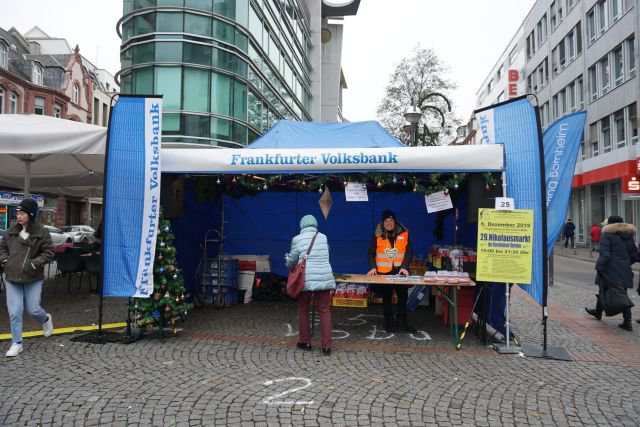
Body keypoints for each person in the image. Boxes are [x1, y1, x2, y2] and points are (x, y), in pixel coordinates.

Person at [0, 199, 55, 357]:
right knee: (15, 312)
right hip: (12, 277)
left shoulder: (41, 231)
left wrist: (34, 264)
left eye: (22, 213)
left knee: (33, 309)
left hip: (33, 277)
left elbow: (49, 252)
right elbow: (2, 248)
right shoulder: (11, 230)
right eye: (17, 213)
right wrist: (5, 260)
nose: (19, 216)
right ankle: (17, 343)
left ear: (30, 215)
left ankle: (45, 319)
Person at [285, 214, 335, 355]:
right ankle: (326, 346)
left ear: (302, 226)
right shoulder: (324, 238)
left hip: (305, 279)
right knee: (324, 310)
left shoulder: (297, 239)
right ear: (315, 225)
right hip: (324, 278)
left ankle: (305, 342)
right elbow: (327, 254)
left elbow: (292, 262)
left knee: (303, 309)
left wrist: (287, 259)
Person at [585, 215, 638, 331]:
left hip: (609, 269)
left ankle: (626, 322)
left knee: (604, 290)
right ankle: (623, 320)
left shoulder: (607, 235)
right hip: (624, 270)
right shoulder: (629, 236)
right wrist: (625, 263)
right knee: (622, 293)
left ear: (609, 224)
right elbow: (634, 255)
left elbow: (605, 254)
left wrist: (599, 267)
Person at [367, 210, 416, 333]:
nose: (389, 223)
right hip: (384, 273)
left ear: (395, 221)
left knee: (403, 297)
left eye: (391, 220)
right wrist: (373, 267)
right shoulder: (377, 235)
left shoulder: (404, 233)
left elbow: (409, 252)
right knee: (387, 298)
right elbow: (370, 253)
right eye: (386, 221)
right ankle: (389, 323)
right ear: (383, 223)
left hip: (400, 272)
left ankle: (402, 323)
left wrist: (405, 267)